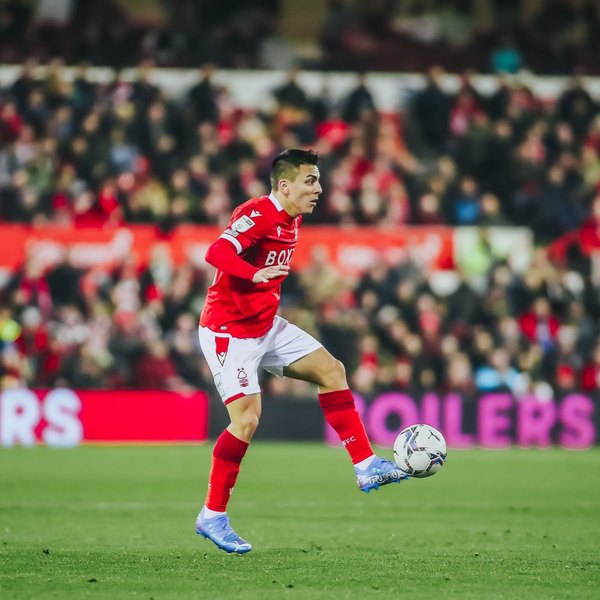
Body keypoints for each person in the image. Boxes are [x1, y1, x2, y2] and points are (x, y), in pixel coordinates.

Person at [195, 148, 407, 554]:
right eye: (311, 181)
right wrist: (254, 272)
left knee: (332, 371)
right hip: (230, 331)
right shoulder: (259, 214)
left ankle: (365, 466)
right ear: (285, 185)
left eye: (319, 180)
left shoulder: (292, 218)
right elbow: (216, 253)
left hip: (265, 324)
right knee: (247, 421)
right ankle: (212, 516)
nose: (319, 189)